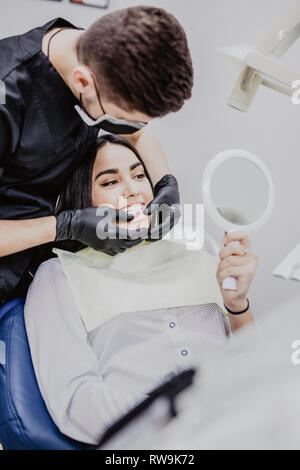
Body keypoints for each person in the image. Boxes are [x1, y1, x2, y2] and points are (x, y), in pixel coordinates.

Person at [24, 134, 258, 445]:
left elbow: (251, 363)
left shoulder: (194, 253)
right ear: (82, 199)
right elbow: (76, 401)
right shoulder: (58, 275)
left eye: (139, 175)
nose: (133, 189)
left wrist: (237, 304)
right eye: (110, 182)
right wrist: (178, 417)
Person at [0, 6, 194, 303]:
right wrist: (66, 226)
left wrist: (166, 184)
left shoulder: (97, 52)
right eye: (123, 118)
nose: (132, 129)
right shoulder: (8, 97)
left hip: (29, 274)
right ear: (82, 82)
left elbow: (139, 136)